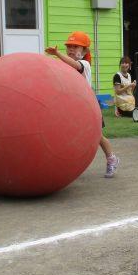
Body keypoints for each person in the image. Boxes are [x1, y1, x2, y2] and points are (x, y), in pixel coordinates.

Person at [46, 31, 120, 177]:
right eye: (69, 46)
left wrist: (57, 53)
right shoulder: (65, 64)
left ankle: (112, 159)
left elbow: (75, 65)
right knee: (69, 135)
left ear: (85, 51)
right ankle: (66, 164)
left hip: (88, 107)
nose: (71, 49)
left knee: (97, 136)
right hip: (73, 107)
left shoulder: (84, 64)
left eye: (76, 47)